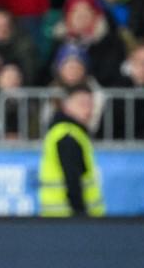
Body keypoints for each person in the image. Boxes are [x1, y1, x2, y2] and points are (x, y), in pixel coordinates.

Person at [38, 84, 105, 217]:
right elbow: (72, 178)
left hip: (59, 216)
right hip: (67, 218)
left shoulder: (68, 131)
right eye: (82, 103)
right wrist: (80, 213)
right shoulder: (67, 135)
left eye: (90, 104)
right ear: (66, 105)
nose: (88, 109)